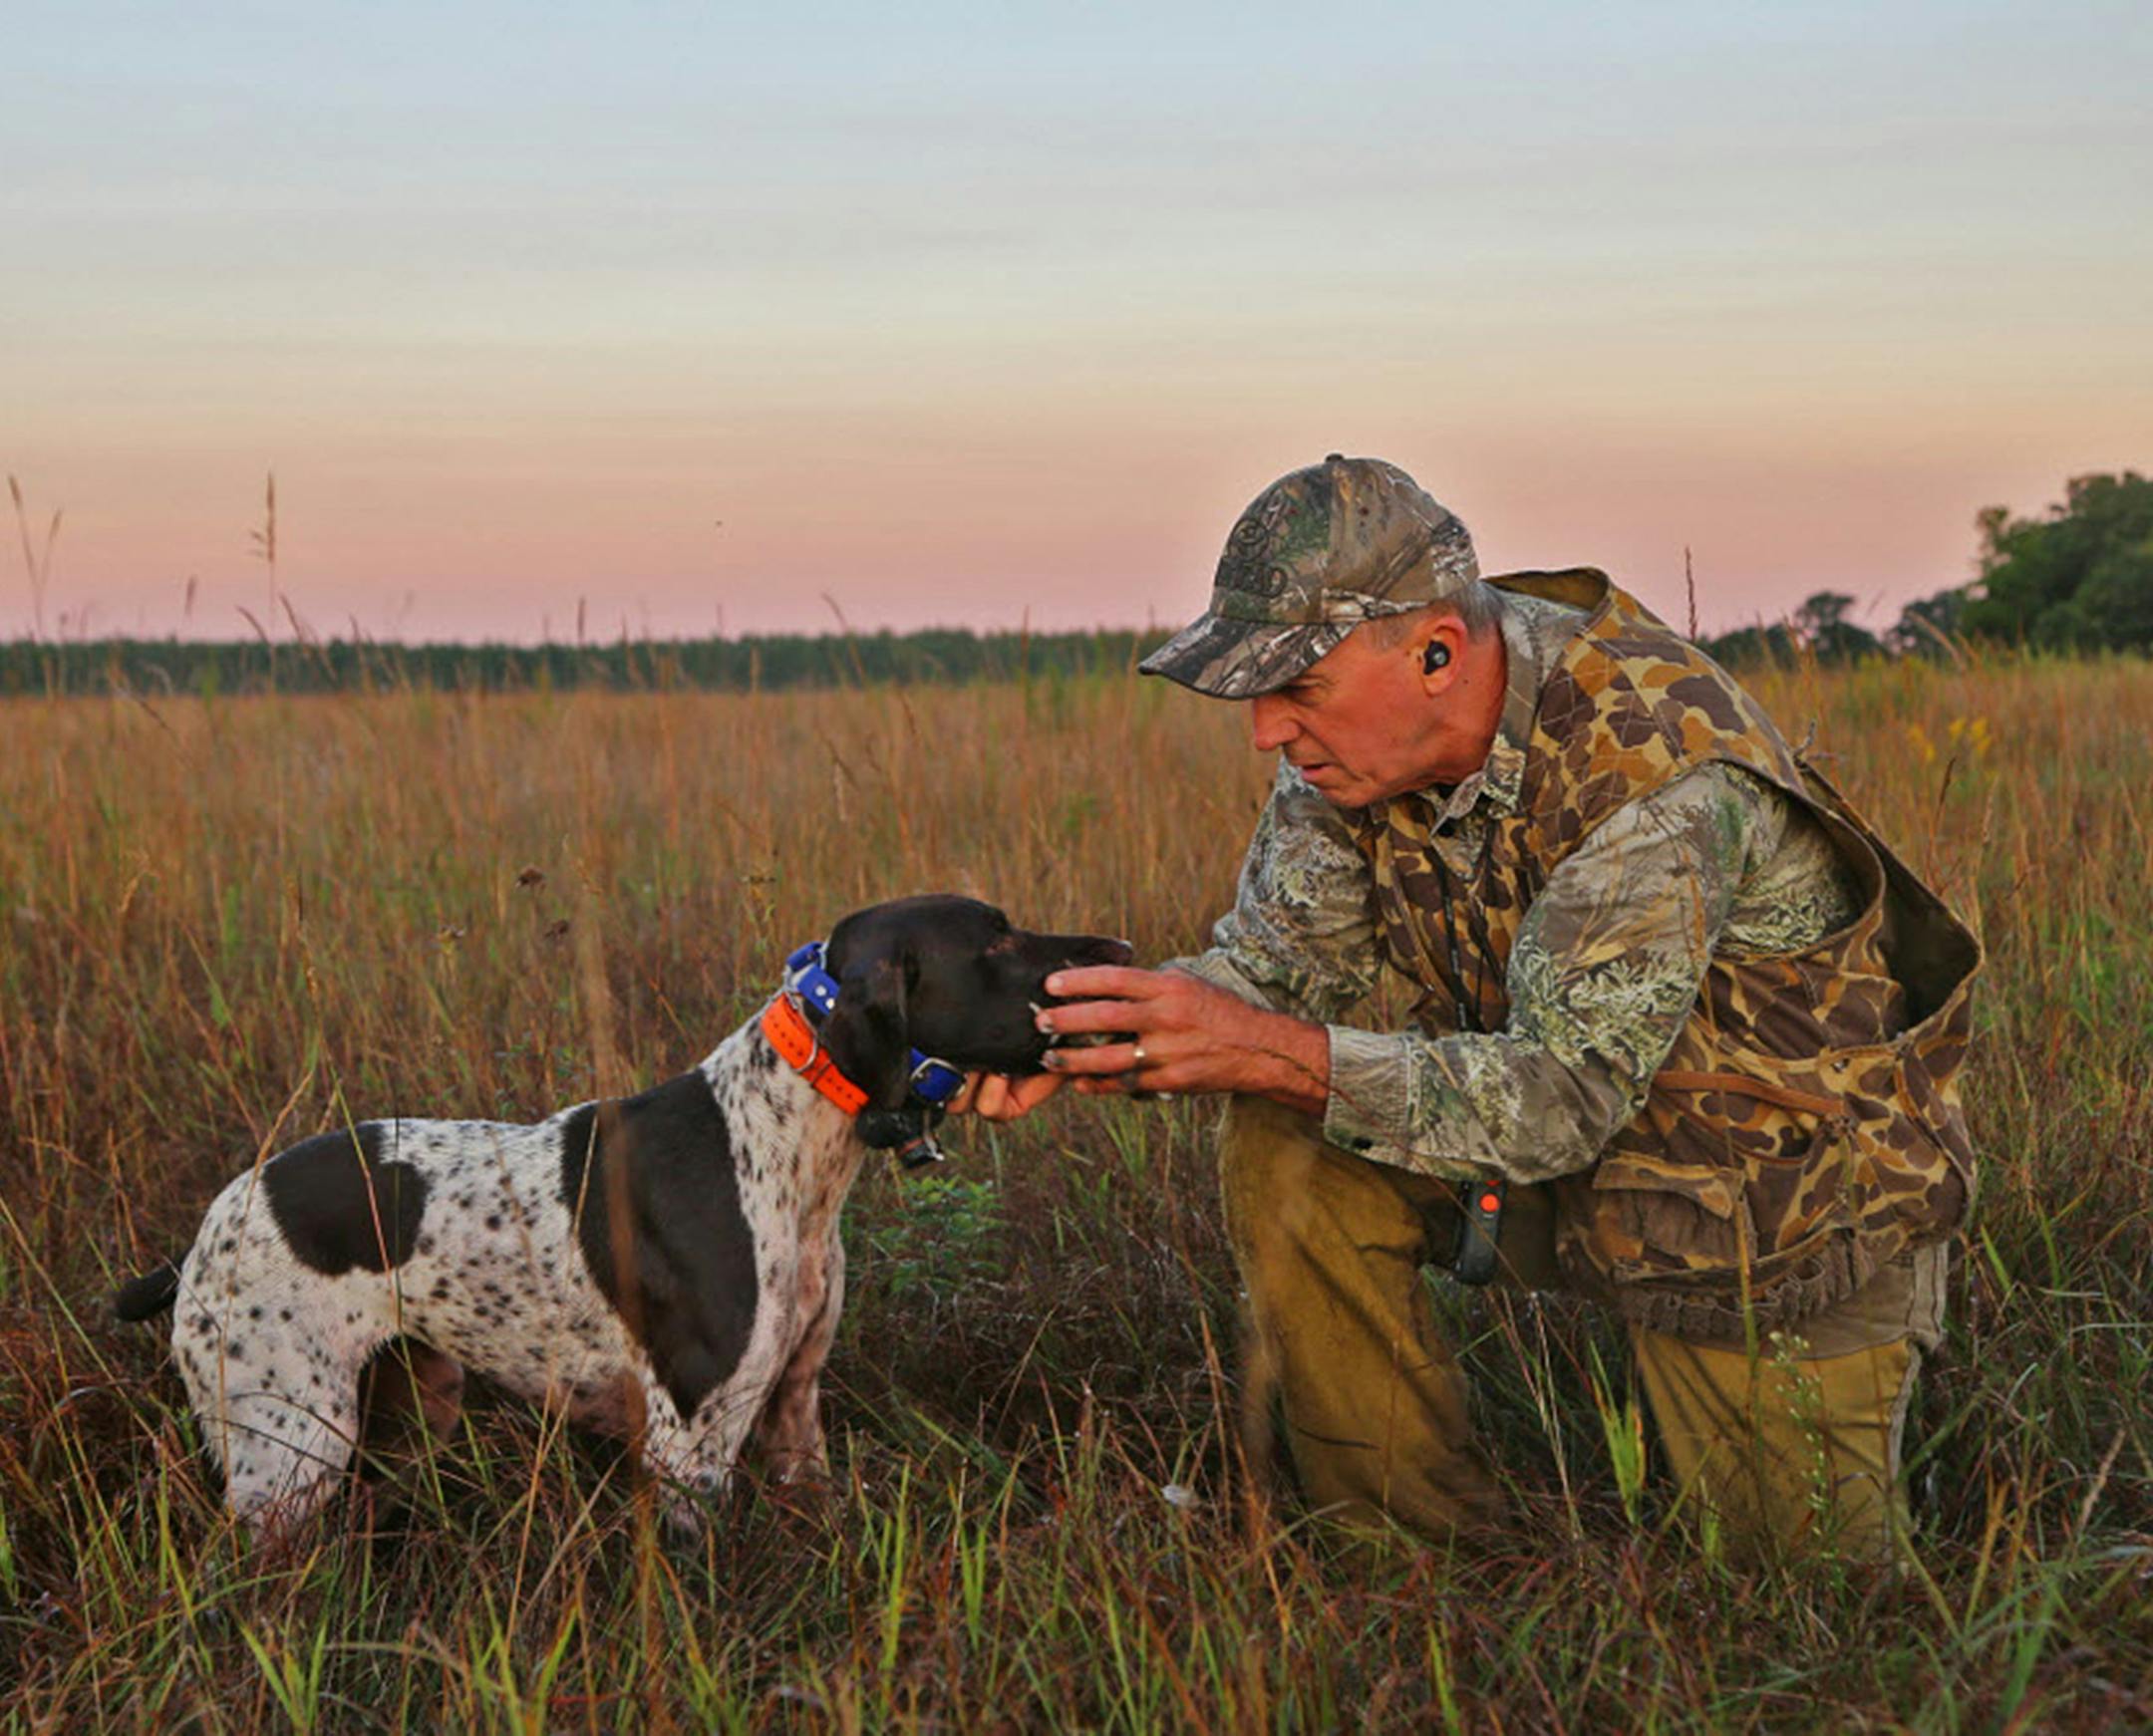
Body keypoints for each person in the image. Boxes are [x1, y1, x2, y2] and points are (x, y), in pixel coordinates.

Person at [970, 454, 1980, 1562]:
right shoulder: (1352, 754)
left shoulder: (1658, 776)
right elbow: (1276, 968)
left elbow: (1556, 1099)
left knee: (1807, 1609)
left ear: (1438, 651)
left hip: (1766, 1220)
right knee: (1282, 1123)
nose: (1265, 731)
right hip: (1569, 1144)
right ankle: (1404, 1554)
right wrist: (1060, 1031)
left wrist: (1264, 1047)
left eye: (1296, 690)